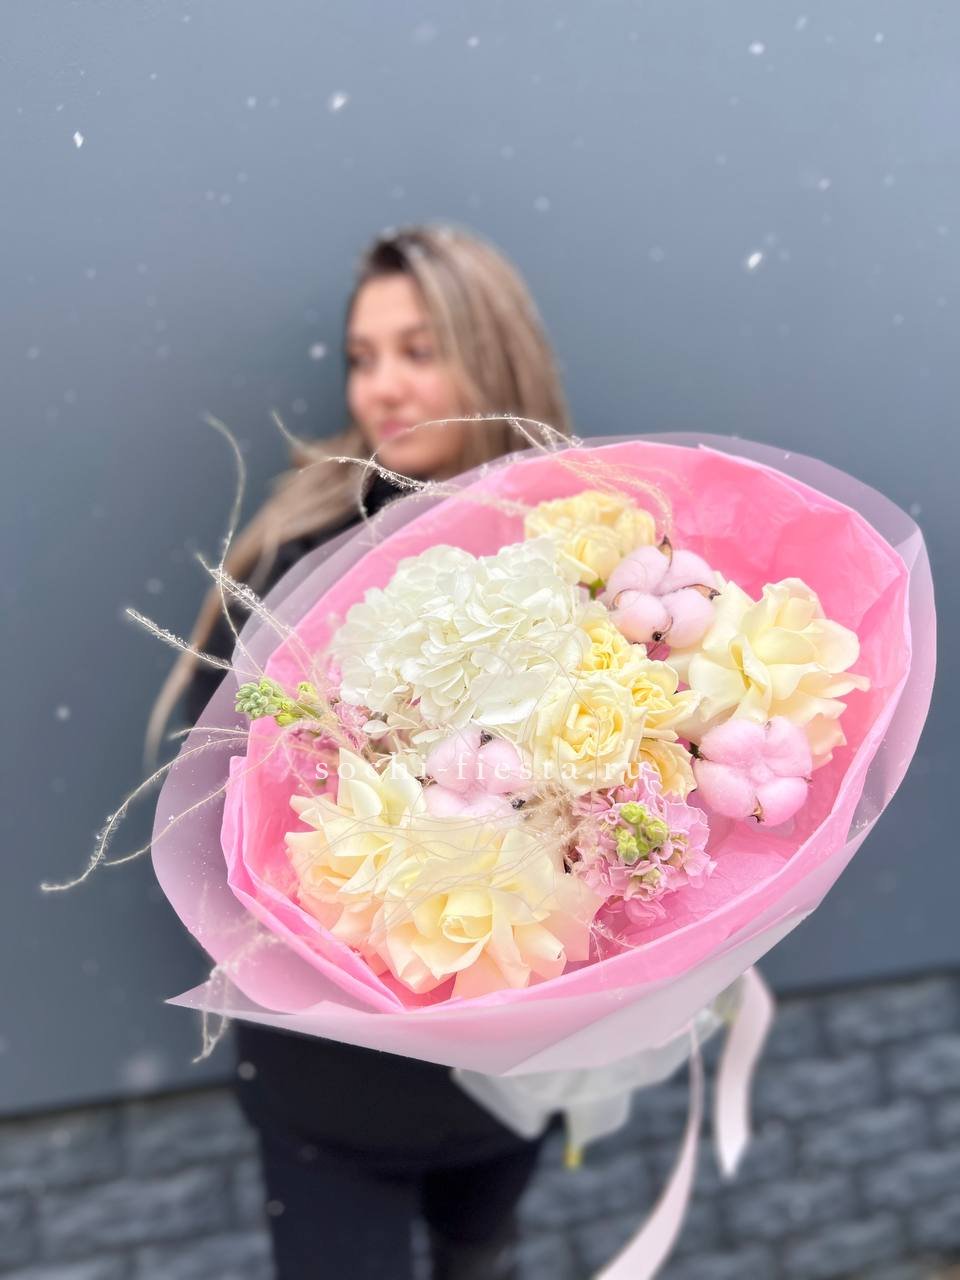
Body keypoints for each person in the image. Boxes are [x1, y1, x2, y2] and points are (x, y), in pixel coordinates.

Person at [150, 225, 572, 1280]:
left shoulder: (586, 542)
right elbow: (223, 798)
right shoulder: (301, 551)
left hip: (506, 1073)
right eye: (363, 356)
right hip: (333, 1080)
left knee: (485, 1258)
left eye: (419, 350)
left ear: (495, 351)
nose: (383, 385)